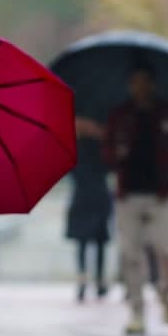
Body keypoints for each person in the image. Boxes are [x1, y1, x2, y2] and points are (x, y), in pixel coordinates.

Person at [102, 60, 168, 335]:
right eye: (135, 82)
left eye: (144, 81)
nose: (140, 87)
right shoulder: (120, 116)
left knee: (164, 250)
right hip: (128, 194)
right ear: (130, 85)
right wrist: (116, 154)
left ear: (152, 84)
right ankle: (136, 310)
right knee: (131, 253)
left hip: (160, 195)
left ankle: (166, 293)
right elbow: (106, 154)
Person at [65, 116, 113, 301]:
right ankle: (87, 281)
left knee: (94, 242)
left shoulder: (95, 147)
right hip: (89, 196)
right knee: (87, 242)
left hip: (92, 196)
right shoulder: (80, 148)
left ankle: (94, 280)